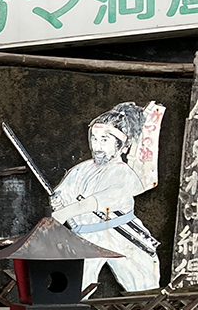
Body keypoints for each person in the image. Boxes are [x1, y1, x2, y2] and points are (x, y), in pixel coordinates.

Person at [51, 102, 160, 293]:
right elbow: (63, 194)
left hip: (121, 234)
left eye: (104, 140)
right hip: (84, 236)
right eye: (94, 138)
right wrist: (58, 203)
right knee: (75, 289)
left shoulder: (123, 174)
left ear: (123, 146)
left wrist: (67, 211)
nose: (97, 146)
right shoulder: (80, 170)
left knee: (142, 288)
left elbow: (98, 202)